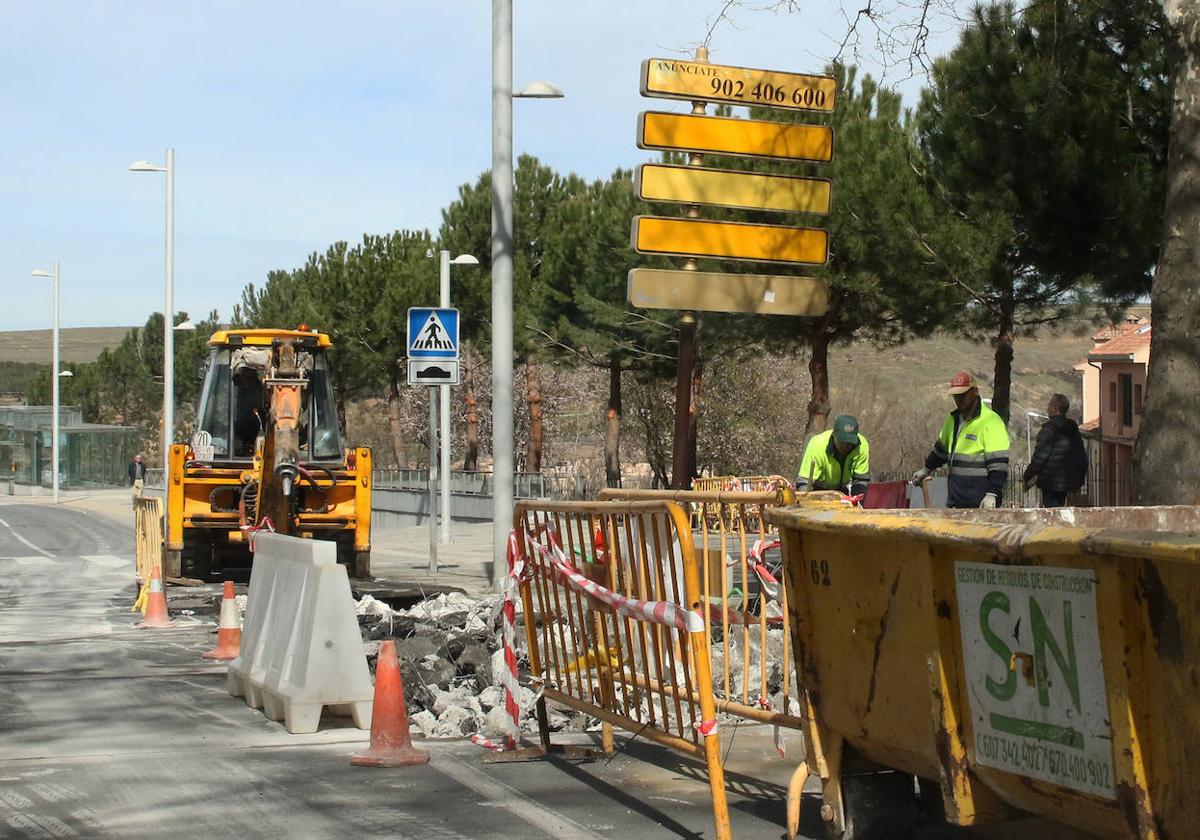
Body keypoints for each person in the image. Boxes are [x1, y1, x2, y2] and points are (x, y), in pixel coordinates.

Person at [912, 372, 1010, 509]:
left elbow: (998, 465)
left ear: (975, 392)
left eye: (963, 395)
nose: (959, 399)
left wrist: (992, 494)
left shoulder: (991, 422)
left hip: (981, 502)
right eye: (956, 396)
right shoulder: (952, 420)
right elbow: (940, 451)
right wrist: (926, 469)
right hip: (956, 501)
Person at [1023, 393, 1087, 507]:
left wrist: (1027, 476)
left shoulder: (1049, 430)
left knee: (1051, 513)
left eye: (1050, 405)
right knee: (1060, 509)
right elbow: (1081, 455)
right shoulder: (1073, 430)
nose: (1047, 408)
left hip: (1050, 481)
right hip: (1067, 481)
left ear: (1055, 409)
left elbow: (1040, 458)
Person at [796, 415, 871, 497]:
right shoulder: (817, 445)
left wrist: (857, 501)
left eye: (849, 443)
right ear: (834, 435)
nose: (845, 446)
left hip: (842, 491)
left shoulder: (862, 446)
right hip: (817, 490)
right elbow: (804, 483)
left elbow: (860, 481)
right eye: (842, 442)